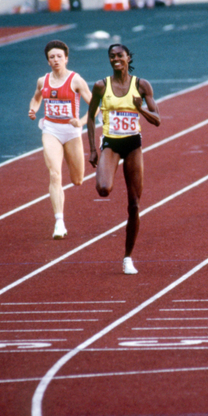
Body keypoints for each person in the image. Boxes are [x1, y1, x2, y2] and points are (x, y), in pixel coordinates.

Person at [87, 44, 161, 275]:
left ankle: (128, 257)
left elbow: (157, 120)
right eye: (112, 57)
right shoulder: (101, 86)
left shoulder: (142, 85)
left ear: (128, 57)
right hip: (111, 142)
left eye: (120, 56)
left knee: (134, 205)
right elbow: (90, 118)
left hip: (133, 145)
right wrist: (92, 149)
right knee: (103, 189)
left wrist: (141, 110)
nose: (115, 59)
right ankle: (104, 169)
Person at [28, 40, 93, 239]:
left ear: (66, 58)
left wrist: (81, 122)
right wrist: (33, 109)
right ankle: (59, 222)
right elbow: (36, 97)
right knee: (55, 174)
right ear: (48, 61)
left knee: (78, 180)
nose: (56, 60)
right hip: (51, 129)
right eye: (52, 57)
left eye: (59, 57)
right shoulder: (42, 80)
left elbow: (95, 105)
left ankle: (60, 219)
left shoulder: (76, 80)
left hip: (71, 132)